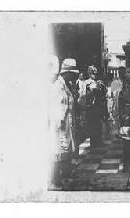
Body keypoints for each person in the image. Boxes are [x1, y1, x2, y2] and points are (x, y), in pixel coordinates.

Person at [48, 57, 78, 188]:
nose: (73, 76)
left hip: (66, 123)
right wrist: (59, 122)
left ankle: (63, 175)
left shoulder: (65, 86)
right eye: (72, 74)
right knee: (57, 150)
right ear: (66, 72)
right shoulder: (57, 87)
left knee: (65, 149)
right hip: (59, 124)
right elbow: (56, 106)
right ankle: (54, 180)